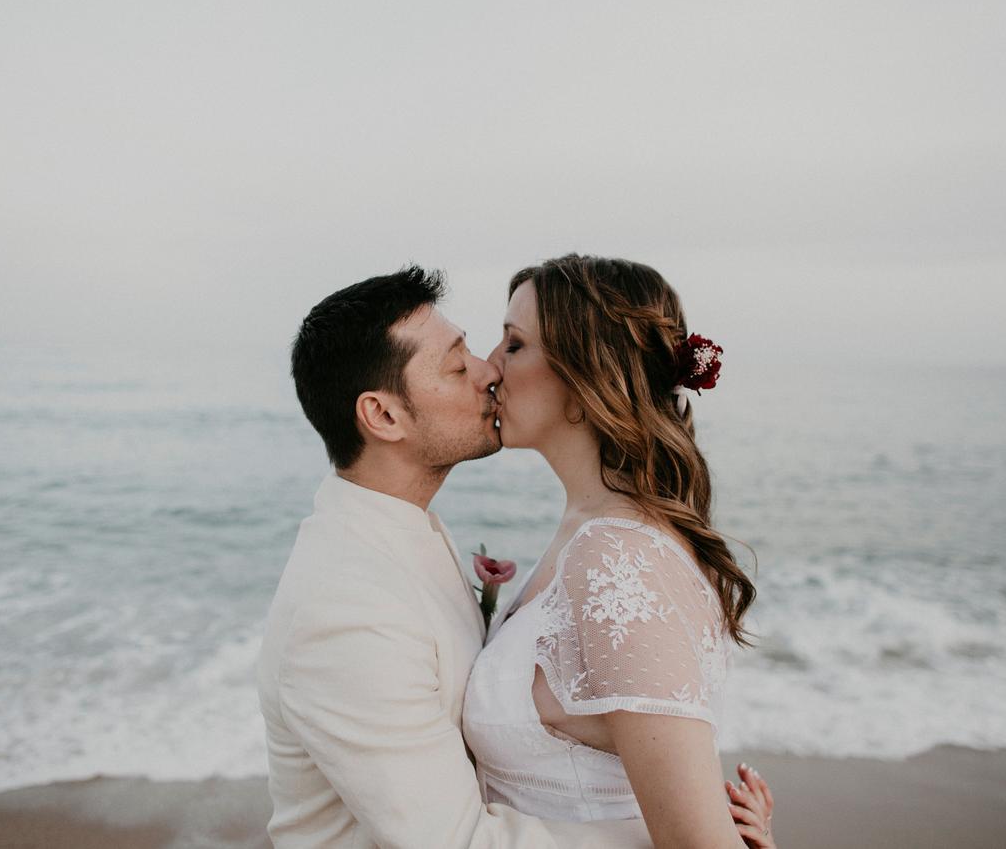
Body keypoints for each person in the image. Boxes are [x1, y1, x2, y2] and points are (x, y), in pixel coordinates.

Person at [256, 267, 658, 848]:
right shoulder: (344, 610)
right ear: (384, 416)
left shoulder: (399, 530)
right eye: (456, 364)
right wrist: (673, 836)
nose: (489, 371)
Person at [462, 254, 776, 848]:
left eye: (514, 344)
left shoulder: (618, 558)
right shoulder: (589, 533)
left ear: (586, 380)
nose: (487, 367)